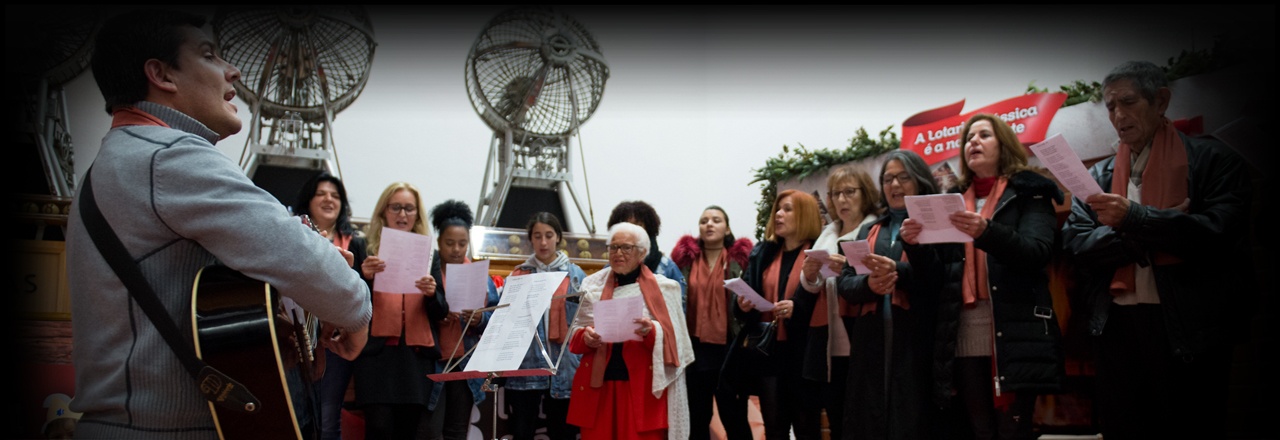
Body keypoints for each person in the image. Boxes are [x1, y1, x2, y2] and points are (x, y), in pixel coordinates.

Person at [65, 9, 370, 439]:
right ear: (161, 75)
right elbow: (326, 279)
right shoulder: (170, 156)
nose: (233, 71)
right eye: (209, 55)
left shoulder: (111, 164)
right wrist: (354, 307)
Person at [1062, 60, 1253, 440]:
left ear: (1161, 101)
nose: (1118, 115)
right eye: (1111, 106)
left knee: (1189, 424)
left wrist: (1134, 218)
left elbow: (1217, 235)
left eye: (1129, 102)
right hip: (1116, 324)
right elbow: (1077, 246)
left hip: (1188, 325)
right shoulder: (1096, 179)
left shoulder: (1214, 161)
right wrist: (1148, 224)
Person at [913, 115, 1065, 440]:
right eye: (968, 137)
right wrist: (915, 246)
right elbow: (938, 277)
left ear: (1004, 144)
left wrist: (987, 232)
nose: (973, 142)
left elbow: (1037, 252)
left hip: (1014, 331)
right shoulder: (950, 201)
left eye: (984, 135)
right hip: (964, 333)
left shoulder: (1031, 192)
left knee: (1013, 431)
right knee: (979, 431)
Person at [832, 150, 940, 440]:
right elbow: (845, 283)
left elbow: (938, 278)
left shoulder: (934, 224)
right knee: (868, 420)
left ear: (919, 180)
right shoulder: (870, 229)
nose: (895, 185)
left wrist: (898, 273)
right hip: (870, 341)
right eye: (888, 178)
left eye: (903, 177)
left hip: (918, 339)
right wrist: (869, 286)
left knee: (911, 420)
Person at [568, 222, 695, 440]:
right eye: (613, 247)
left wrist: (651, 330)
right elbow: (575, 336)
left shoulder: (666, 288)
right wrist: (586, 335)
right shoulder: (591, 286)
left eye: (626, 247)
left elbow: (677, 344)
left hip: (642, 389)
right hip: (599, 388)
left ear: (642, 253)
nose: (618, 253)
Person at [355, 182, 449, 440]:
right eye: (396, 207)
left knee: (409, 431)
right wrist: (363, 278)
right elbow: (347, 300)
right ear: (383, 211)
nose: (403, 214)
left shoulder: (431, 253)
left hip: (415, 356)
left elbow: (442, 311)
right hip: (377, 354)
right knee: (379, 428)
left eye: (409, 208)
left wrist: (432, 293)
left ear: (417, 214)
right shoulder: (363, 247)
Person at [795, 165, 882, 440]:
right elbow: (811, 287)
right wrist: (809, 276)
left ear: (865, 194)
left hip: (865, 333)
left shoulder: (875, 230)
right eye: (835, 194)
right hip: (828, 340)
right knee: (835, 417)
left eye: (849, 192)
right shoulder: (827, 235)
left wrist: (848, 269)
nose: (842, 200)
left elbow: (882, 280)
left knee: (866, 419)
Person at [735, 189, 823, 440]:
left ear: (805, 214)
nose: (779, 215)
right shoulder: (764, 252)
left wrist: (798, 308)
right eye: (778, 210)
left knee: (807, 427)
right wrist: (741, 304)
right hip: (768, 352)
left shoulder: (818, 251)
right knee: (774, 427)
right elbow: (748, 289)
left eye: (787, 209)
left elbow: (826, 300)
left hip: (804, 353)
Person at [292, 171, 368, 440]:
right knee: (296, 413)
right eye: (321, 193)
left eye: (335, 196)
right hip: (294, 339)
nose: (329, 199)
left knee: (328, 417)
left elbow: (361, 294)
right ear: (308, 200)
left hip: (336, 342)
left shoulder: (357, 244)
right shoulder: (292, 234)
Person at [669, 206, 755, 440]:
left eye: (716, 220)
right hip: (694, 349)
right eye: (704, 220)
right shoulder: (684, 261)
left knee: (734, 416)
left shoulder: (742, 260)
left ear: (727, 227)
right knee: (697, 417)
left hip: (730, 348)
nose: (709, 224)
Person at [502, 212, 588, 440]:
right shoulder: (519, 274)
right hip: (526, 370)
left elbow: (586, 318)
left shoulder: (575, 274)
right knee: (522, 432)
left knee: (564, 434)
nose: (543, 242)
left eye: (549, 235)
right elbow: (506, 322)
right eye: (537, 236)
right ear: (530, 239)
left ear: (558, 238)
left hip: (566, 368)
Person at [426, 200, 500, 440]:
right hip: (433, 361)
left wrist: (479, 318)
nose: (457, 249)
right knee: (430, 430)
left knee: (457, 431)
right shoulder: (429, 274)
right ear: (439, 243)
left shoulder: (479, 276)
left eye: (462, 243)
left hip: (464, 362)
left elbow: (497, 319)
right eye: (450, 243)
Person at [607, 201, 688, 309]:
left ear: (649, 230)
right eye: (626, 225)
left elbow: (678, 312)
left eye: (637, 225)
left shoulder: (668, 269)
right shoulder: (608, 271)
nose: (631, 230)